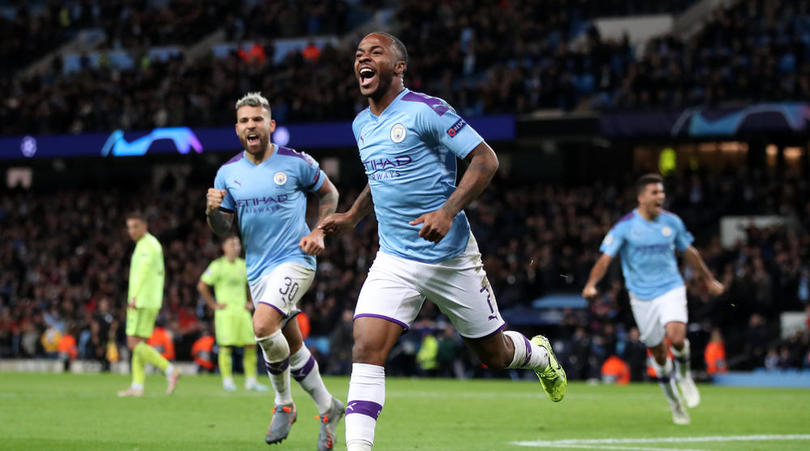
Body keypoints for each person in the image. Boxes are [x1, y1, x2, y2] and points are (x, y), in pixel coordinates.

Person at [319, 32, 567, 451]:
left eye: (375, 52)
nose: (364, 58)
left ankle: (539, 355)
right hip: (395, 258)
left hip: (451, 256)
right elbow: (378, 177)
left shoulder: (427, 110)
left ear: (399, 67)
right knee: (366, 346)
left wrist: (447, 211)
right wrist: (353, 216)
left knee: (493, 355)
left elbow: (486, 159)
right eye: (359, 54)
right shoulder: (362, 123)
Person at [205, 92, 344, 450]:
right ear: (237, 129)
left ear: (271, 125)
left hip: (295, 260)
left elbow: (330, 194)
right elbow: (225, 229)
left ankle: (284, 403)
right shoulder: (228, 173)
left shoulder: (296, 163)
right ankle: (328, 407)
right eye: (244, 121)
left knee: (263, 326)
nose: (251, 125)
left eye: (257, 119)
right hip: (258, 270)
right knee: (291, 345)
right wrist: (211, 212)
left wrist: (319, 231)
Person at [582, 173, 725, 425]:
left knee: (677, 336)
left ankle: (684, 375)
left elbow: (689, 251)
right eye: (655, 193)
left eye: (662, 192)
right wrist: (592, 284)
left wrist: (709, 280)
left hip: (671, 287)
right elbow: (605, 259)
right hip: (641, 297)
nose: (661, 196)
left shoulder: (673, 223)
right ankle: (675, 403)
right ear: (641, 197)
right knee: (658, 354)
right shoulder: (625, 227)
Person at [118, 211, 180, 397]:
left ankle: (169, 370)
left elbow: (143, 272)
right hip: (148, 299)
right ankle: (137, 386)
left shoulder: (147, 245)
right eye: (129, 227)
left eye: (135, 226)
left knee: (132, 342)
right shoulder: (148, 244)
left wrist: (134, 296)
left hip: (142, 300)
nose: (131, 231)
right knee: (139, 343)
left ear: (145, 226)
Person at [197, 235, 267, 392]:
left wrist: (251, 301)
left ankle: (251, 381)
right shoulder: (217, 266)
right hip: (226, 312)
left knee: (250, 345)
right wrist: (213, 304)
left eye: (237, 244)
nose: (236, 247)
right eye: (232, 244)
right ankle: (227, 380)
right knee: (226, 347)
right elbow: (202, 285)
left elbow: (252, 285)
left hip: (242, 311)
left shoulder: (244, 265)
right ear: (224, 247)